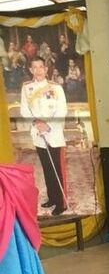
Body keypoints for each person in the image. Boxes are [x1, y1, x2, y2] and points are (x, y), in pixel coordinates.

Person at [20, 56, 68, 215]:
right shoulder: (27, 88)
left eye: (41, 67)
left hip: (53, 133)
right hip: (38, 133)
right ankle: (52, 198)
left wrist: (48, 125)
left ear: (46, 69)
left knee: (57, 169)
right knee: (47, 168)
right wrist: (36, 122)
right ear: (31, 70)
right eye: (35, 67)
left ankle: (61, 203)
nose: (38, 70)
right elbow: (24, 110)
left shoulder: (56, 88)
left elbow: (62, 110)